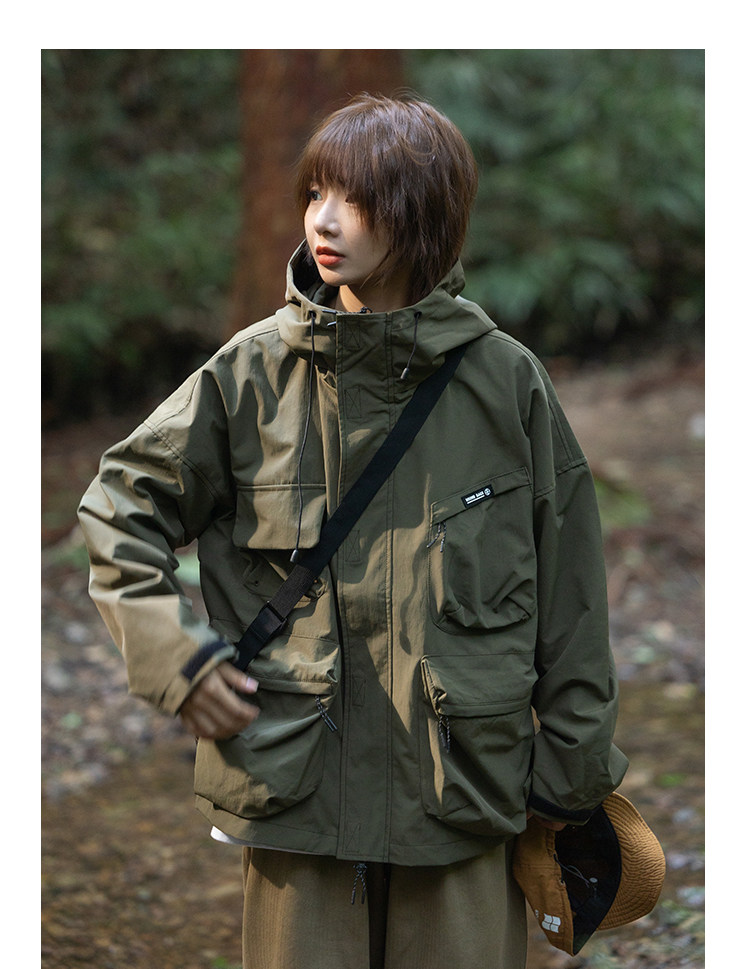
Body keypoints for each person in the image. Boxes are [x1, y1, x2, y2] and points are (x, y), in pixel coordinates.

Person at [78, 93, 628, 969]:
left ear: (424, 215)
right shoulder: (251, 375)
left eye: (358, 198)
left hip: (463, 799)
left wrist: (570, 778)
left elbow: (572, 597)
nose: (324, 220)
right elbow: (120, 506)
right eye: (315, 192)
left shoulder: (506, 385)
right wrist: (178, 661)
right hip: (297, 799)